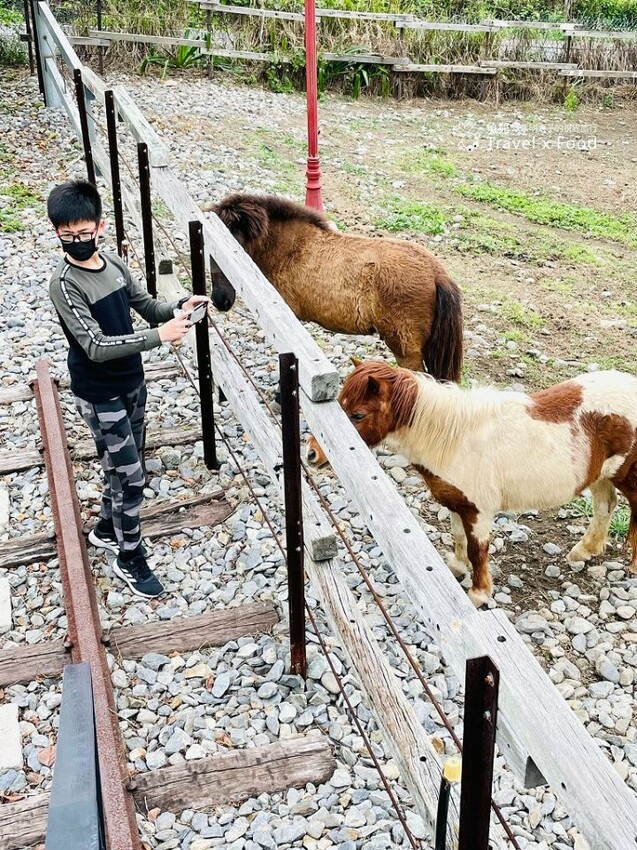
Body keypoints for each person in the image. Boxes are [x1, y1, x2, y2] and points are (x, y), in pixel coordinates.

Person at [47, 178, 209, 599]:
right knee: (132, 477)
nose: (78, 242)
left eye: (85, 233)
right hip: (100, 392)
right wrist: (161, 335)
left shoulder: (114, 264)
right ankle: (129, 555)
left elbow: (146, 306)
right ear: (57, 234)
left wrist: (178, 309)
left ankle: (105, 528)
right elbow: (95, 346)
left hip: (132, 383)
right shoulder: (64, 285)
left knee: (123, 465)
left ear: (99, 227)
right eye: (68, 237)